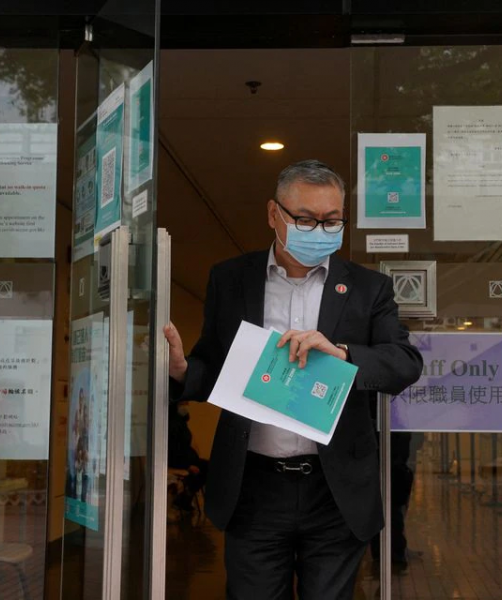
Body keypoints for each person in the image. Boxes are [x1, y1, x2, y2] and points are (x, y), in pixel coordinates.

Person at [163, 160, 423, 600]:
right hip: (254, 486)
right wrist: (184, 371)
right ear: (273, 214)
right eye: (305, 219)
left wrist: (341, 355)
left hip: (335, 487)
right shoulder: (230, 279)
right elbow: (215, 366)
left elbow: (403, 362)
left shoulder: (367, 288)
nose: (319, 230)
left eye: (332, 221)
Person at [168, 401, 209, 513]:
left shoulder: (181, 422)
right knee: (200, 470)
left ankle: (187, 496)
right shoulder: (173, 424)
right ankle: (185, 496)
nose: (186, 406)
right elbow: (174, 451)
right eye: (183, 404)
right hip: (179, 461)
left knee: (208, 467)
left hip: (188, 459)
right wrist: (188, 466)